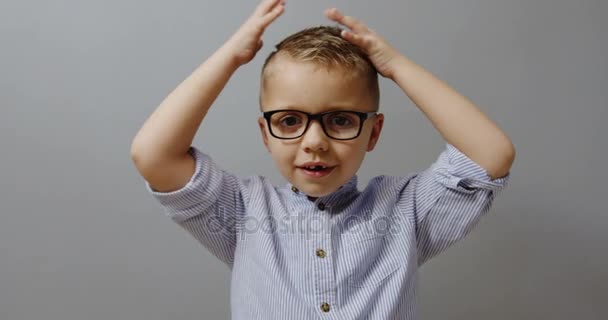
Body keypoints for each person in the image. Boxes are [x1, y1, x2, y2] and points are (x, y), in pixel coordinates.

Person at [130, 0, 515, 318]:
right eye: (290, 120)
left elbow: (490, 154)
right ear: (266, 134)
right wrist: (230, 56)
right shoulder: (242, 213)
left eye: (341, 120)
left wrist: (395, 66)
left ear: (373, 132)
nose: (315, 142)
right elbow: (153, 155)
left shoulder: (406, 212)